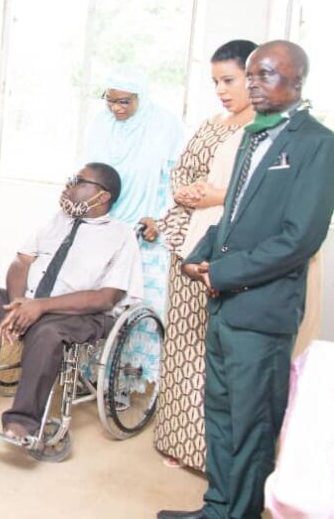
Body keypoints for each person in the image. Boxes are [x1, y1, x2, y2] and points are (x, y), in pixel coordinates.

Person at [159, 41, 334, 519]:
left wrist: (223, 272)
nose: (255, 84)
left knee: (252, 426)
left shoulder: (318, 143)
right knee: (221, 414)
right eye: (251, 75)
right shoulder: (252, 136)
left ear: (297, 80)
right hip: (225, 304)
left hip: (263, 309)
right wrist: (199, 256)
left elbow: (300, 238)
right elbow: (232, 217)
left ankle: (240, 513)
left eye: (267, 75)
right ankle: (218, 507)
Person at [0, 163, 143, 440]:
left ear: (103, 195)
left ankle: (24, 422)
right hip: (30, 298)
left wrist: (40, 307)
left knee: (46, 332)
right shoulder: (57, 220)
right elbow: (22, 260)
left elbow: (106, 297)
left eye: (78, 181)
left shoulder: (121, 236)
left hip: (79, 313)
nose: (70, 186)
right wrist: (18, 302)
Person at [151, 40, 257, 472]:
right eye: (216, 82)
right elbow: (182, 170)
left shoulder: (262, 129)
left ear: (254, 77)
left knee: (211, 350)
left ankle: (207, 449)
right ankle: (175, 438)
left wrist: (217, 195)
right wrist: (186, 191)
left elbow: (259, 191)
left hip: (224, 248)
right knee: (180, 342)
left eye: (229, 80)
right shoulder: (212, 124)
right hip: (185, 239)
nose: (221, 91)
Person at [84, 71, 184, 384]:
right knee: (94, 299)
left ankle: (128, 380)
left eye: (124, 101)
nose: (116, 108)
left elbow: (176, 180)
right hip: (103, 225)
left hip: (146, 229)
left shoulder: (164, 126)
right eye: (110, 100)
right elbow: (90, 173)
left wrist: (161, 218)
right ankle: (90, 375)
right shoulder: (101, 124)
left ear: (141, 96)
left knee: (138, 306)